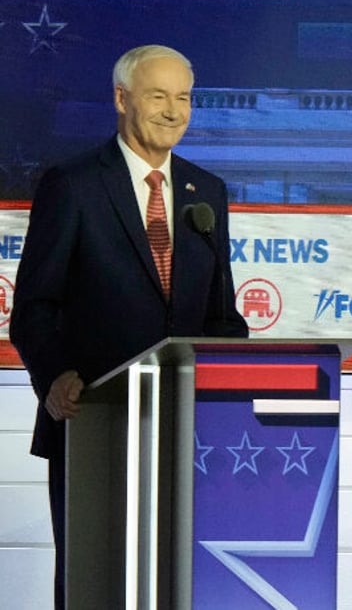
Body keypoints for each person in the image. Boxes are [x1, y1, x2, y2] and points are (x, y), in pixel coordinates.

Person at [9, 44, 249, 610]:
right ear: (121, 99)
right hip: (95, 419)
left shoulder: (205, 192)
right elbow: (35, 307)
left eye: (184, 97)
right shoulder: (73, 185)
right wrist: (57, 377)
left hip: (187, 432)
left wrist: (240, 370)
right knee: (96, 582)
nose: (174, 111)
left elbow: (221, 311)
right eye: (158, 96)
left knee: (179, 582)